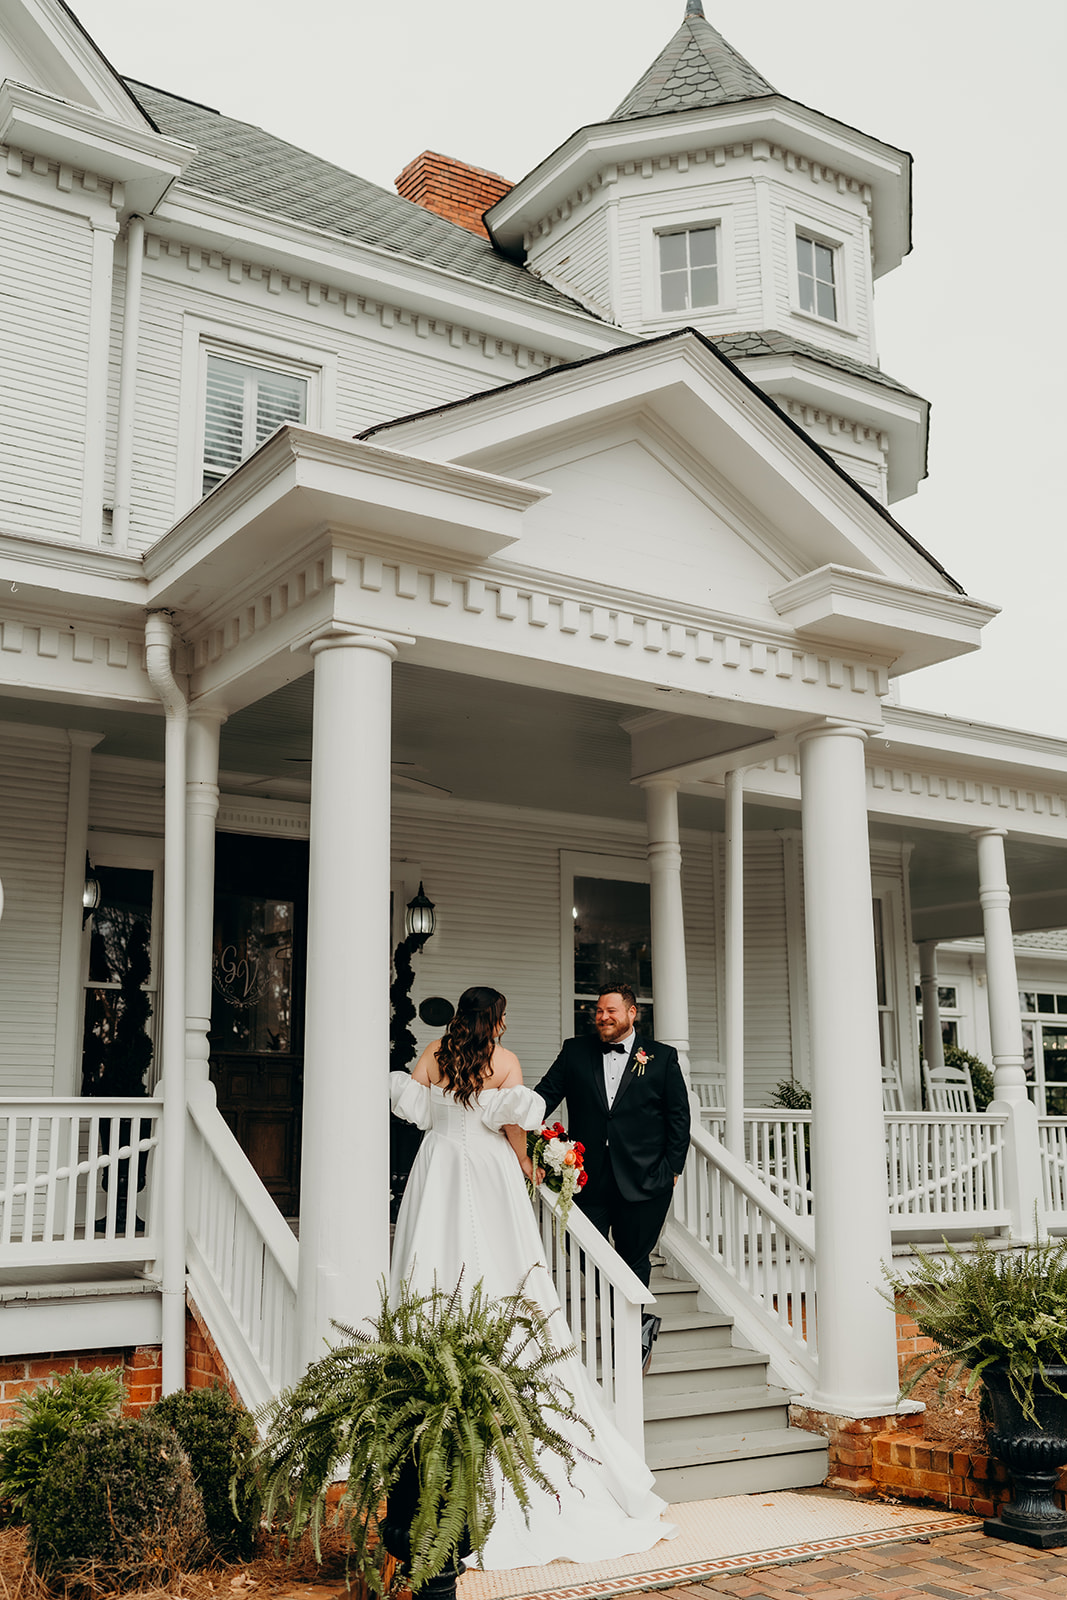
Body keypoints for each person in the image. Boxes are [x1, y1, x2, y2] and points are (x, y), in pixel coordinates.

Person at [389, 985, 676, 1571]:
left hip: (438, 1170)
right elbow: (514, 1129)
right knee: (507, 1273)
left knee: (435, 1265)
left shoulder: (432, 1054)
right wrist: (531, 1163)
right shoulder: (505, 1061)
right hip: (490, 1173)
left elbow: (417, 1113)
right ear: (495, 1018)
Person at [534, 984, 691, 1371]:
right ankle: (640, 1323)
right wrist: (521, 1133)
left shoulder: (661, 1057)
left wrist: (672, 1169)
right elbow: (544, 1096)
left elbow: (679, 1117)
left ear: (632, 1013)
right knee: (586, 1253)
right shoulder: (575, 1051)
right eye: (598, 1011)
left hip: (646, 1180)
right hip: (587, 1176)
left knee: (635, 1258)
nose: (603, 1017)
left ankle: (630, 1336)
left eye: (611, 1011)